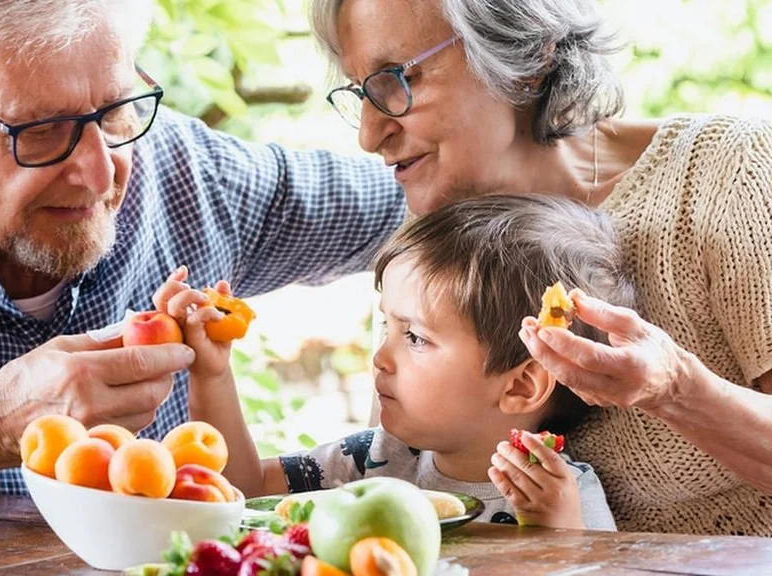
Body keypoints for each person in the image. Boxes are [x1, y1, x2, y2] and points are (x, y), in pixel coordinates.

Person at [0, 0, 406, 529]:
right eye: (39, 129)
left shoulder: (192, 177)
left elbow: (417, 197)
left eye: (115, 111)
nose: (97, 173)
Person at [308, 0, 772, 535]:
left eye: (395, 79)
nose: (369, 135)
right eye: (360, 90)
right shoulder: (431, 250)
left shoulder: (723, 174)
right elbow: (402, 490)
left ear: (526, 56)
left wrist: (674, 391)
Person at [156, 195, 633, 530]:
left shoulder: (561, 494)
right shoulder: (377, 459)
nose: (381, 358)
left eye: (416, 337)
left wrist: (562, 532)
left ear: (520, 386)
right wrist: (212, 372)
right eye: (387, 328)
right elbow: (245, 489)